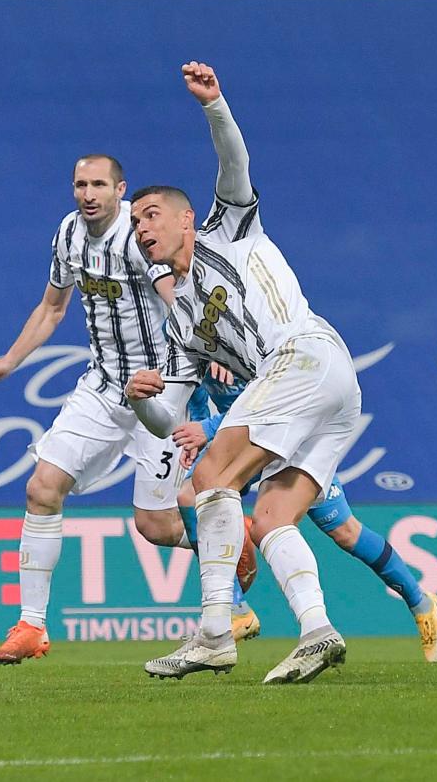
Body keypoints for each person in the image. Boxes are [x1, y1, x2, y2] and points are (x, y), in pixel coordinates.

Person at [127, 61, 359, 684]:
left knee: (209, 474)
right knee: (274, 517)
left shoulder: (224, 231)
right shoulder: (179, 325)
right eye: (135, 223)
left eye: (150, 214)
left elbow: (234, 165)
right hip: (329, 384)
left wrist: (214, 105)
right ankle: (317, 630)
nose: (141, 227)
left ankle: (212, 633)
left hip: (303, 353)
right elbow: (166, 415)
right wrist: (140, 397)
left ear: (182, 218)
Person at [0, 152, 252, 666]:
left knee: (157, 526)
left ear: (120, 190)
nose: (88, 193)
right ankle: (31, 626)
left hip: (162, 387)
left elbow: (179, 298)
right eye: (80, 184)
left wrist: (212, 354)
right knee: (41, 487)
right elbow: (52, 307)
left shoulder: (139, 237)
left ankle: (229, 538)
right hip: (103, 386)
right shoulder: (69, 235)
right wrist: (10, 362)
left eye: (99, 184)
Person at [175, 375, 437, 662]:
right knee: (189, 498)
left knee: (345, 531)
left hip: (291, 440)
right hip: (241, 443)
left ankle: (421, 603)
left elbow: (278, 398)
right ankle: (236, 609)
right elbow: (193, 393)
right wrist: (201, 438)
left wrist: (208, 427)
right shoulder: (190, 338)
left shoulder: (249, 340)